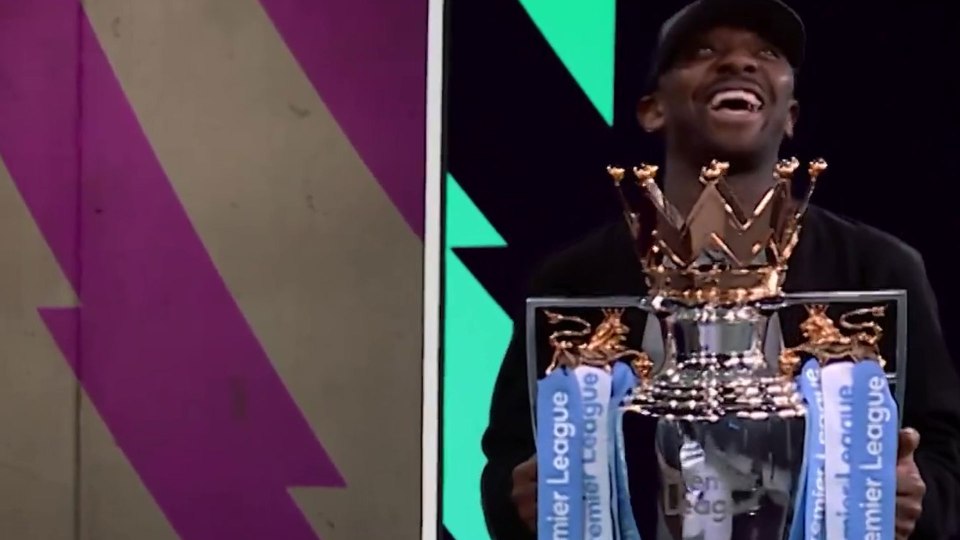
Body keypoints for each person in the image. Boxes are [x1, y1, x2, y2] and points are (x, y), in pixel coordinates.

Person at [478, 0, 960, 539]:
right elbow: (510, 457)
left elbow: (943, 455)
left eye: (766, 52)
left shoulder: (878, 271)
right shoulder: (575, 281)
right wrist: (523, 501)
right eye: (704, 50)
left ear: (792, 114)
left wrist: (920, 503)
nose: (739, 63)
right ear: (652, 109)